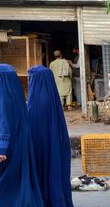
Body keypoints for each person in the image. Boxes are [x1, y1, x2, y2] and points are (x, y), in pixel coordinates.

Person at [0, 64, 44, 207]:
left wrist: (0, 148)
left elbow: (2, 120)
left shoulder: (1, 95)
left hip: (7, 145)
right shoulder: (16, 94)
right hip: (20, 142)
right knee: (19, 178)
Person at [27, 65, 74, 207]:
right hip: (55, 146)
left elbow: (33, 128)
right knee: (55, 173)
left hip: (41, 148)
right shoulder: (52, 96)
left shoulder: (37, 100)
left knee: (43, 175)